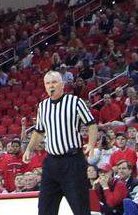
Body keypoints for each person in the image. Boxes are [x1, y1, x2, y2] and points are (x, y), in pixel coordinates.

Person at [25, 70, 98, 215]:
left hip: (72, 161)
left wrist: (91, 143)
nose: (51, 86)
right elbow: (39, 131)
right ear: (45, 86)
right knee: (45, 208)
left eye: (54, 82)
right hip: (51, 162)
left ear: (62, 85)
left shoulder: (75, 102)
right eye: (48, 83)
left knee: (80, 208)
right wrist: (29, 149)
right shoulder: (43, 106)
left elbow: (91, 124)